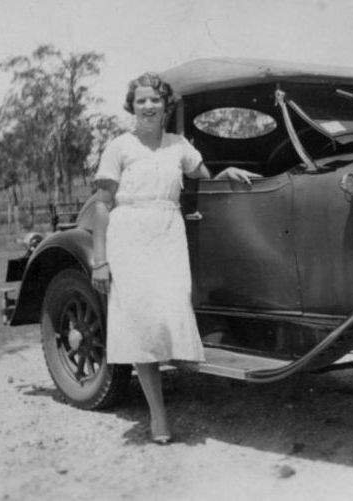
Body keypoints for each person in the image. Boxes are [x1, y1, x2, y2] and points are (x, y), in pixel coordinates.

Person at [90, 72, 259, 444]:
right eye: (141, 101)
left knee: (171, 309)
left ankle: (188, 374)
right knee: (141, 324)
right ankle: (158, 415)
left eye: (155, 100)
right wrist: (99, 261)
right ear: (132, 107)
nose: (148, 106)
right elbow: (102, 205)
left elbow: (202, 174)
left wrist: (226, 172)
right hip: (129, 234)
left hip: (167, 232)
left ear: (166, 105)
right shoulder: (119, 147)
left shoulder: (178, 144)